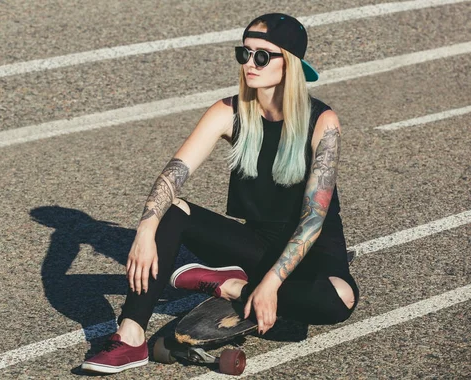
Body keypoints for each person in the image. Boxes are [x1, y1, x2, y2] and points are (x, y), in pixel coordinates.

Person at [81, 13, 359, 374]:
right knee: (170, 210)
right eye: (244, 54)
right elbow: (173, 175)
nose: (250, 64)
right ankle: (131, 335)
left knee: (339, 302)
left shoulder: (323, 121)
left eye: (262, 56)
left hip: (313, 251)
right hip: (256, 245)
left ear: (289, 64)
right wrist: (145, 231)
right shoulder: (228, 112)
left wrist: (270, 285)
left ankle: (233, 287)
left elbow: (312, 221)